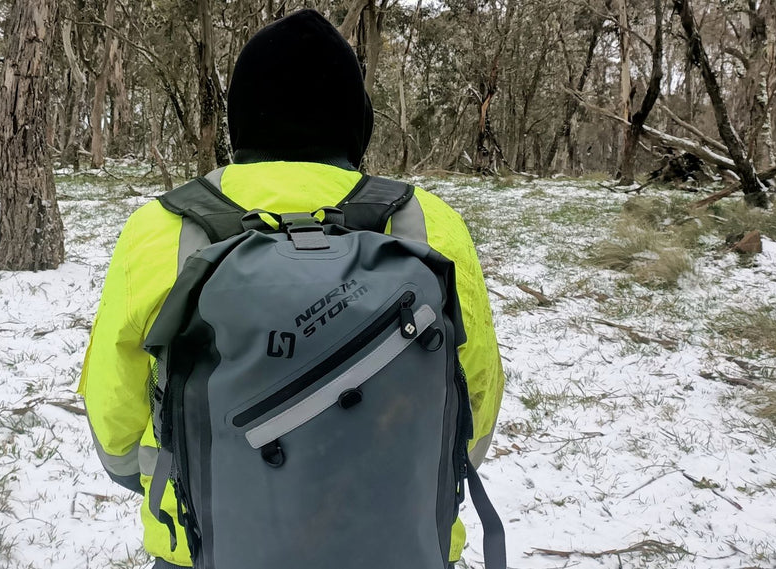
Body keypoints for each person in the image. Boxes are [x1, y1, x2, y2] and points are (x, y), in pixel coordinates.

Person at [77, 9, 504, 568]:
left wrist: (181, 477)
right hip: (402, 543)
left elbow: (115, 411)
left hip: (205, 546)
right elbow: (476, 392)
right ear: (356, 123)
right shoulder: (426, 221)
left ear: (241, 123)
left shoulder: (164, 227)